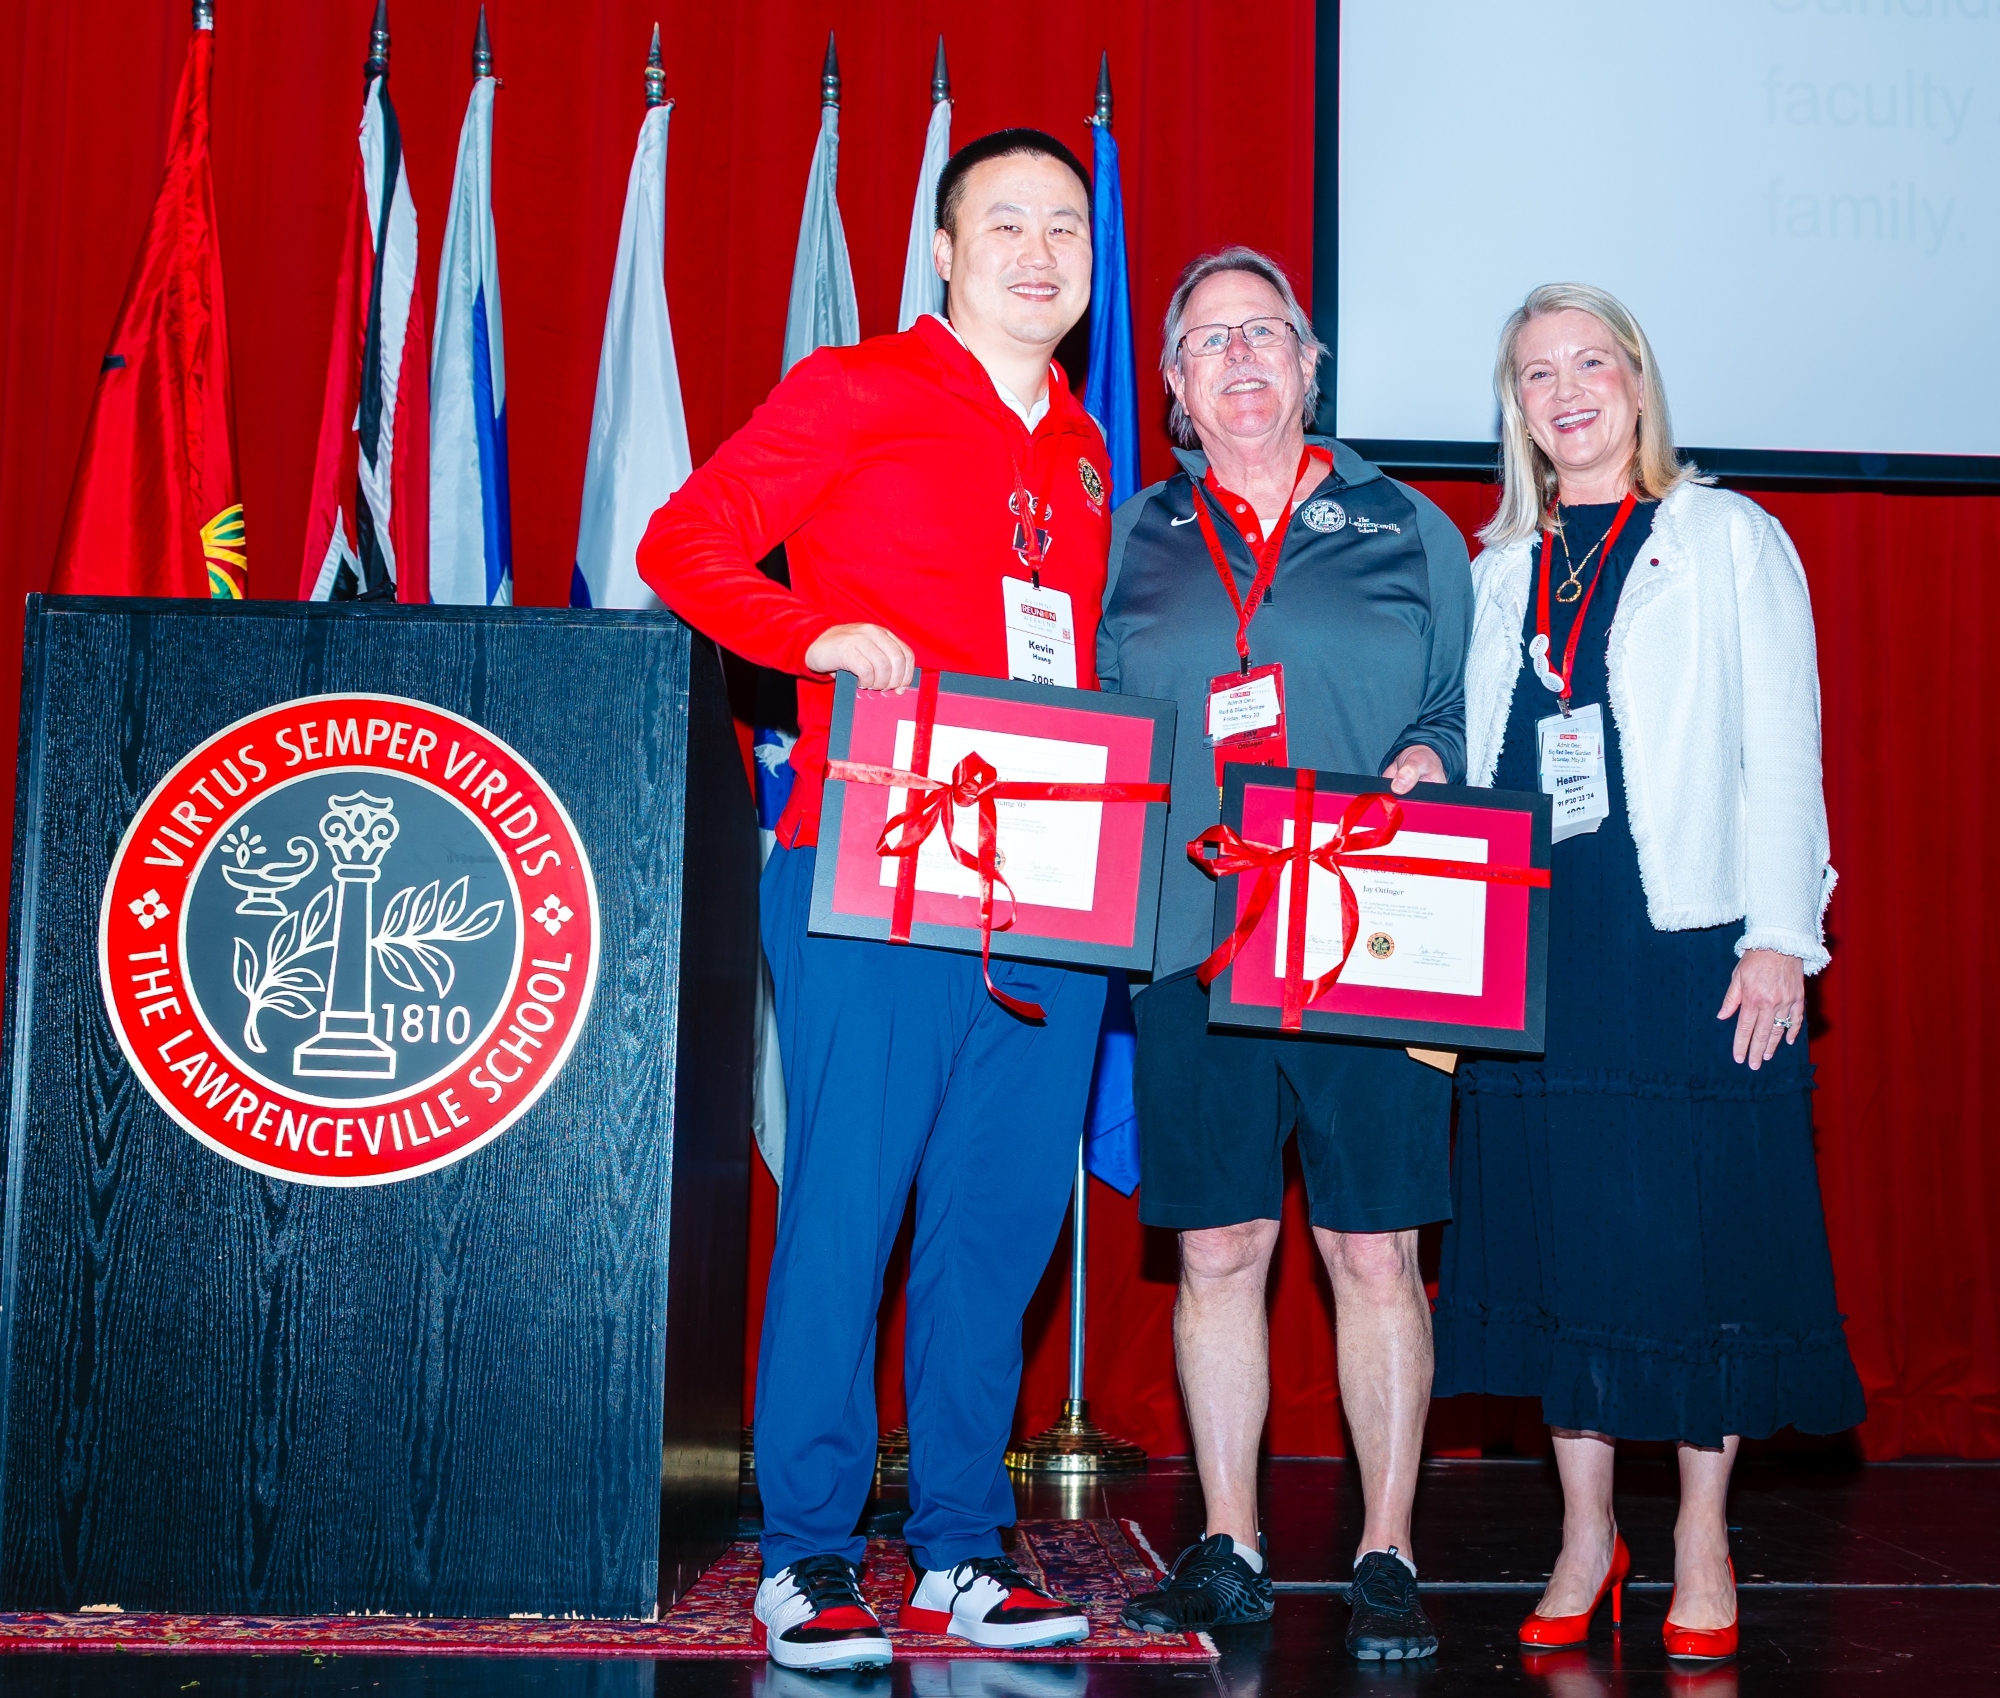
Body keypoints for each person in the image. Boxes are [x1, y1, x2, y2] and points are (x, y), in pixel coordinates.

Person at [636, 129, 1113, 1671]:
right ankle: (808, 1552)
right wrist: (810, 634)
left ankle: (962, 1548)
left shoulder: (1086, 447)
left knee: (998, 1226)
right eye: (1004, 223)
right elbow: (681, 541)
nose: (1037, 251)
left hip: (1049, 888)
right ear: (943, 251)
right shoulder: (855, 386)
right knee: (849, 1208)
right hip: (872, 867)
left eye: (1065, 226)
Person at [1431, 283, 1866, 1663]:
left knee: (1692, 1249)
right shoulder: (1498, 566)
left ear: (1637, 380)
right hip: (1538, 954)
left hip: (1684, 939)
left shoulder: (1727, 536)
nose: (1567, 392)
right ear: (1517, 407)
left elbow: (1783, 748)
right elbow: (1481, 755)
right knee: (1563, 1246)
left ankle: (1701, 1537)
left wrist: (1781, 933)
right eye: (1537, 374)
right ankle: (1584, 1534)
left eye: (1590, 365)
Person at [1098, 247, 1472, 1662]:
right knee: (1218, 1246)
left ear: (1311, 365)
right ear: (1175, 386)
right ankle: (1230, 1544)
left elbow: (1459, 700)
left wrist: (1433, 752)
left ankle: (1387, 1550)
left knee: (1375, 1248)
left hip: (1371, 934)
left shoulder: (1408, 523)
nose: (1241, 357)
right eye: (1209, 341)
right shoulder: (1130, 535)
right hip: (1191, 939)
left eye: (1266, 333)